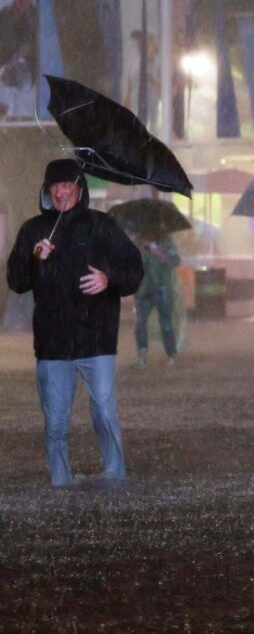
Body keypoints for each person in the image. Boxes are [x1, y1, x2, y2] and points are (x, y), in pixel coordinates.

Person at [6, 159, 143, 486]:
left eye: (67, 185)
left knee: (105, 415)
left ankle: (115, 476)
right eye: (55, 186)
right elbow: (16, 280)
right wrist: (35, 261)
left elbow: (134, 271)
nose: (61, 192)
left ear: (80, 190)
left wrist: (109, 279)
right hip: (53, 344)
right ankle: (60, 483)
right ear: (46, 191)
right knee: (55, 422)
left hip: (96, 339)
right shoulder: (33, 230)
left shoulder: (102, 226)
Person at [133, 234, 181, 367]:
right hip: (143, 289)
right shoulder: (138, 241)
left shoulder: (166, 241)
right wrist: (140, 254)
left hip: (162, 287)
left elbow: (176, 261)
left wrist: (159, 253)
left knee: (166, 323)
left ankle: (171, 354)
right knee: (140, 322)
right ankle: (142, 356)